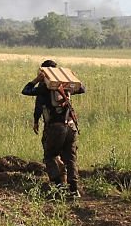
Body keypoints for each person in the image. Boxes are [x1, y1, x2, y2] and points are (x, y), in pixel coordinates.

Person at [21, 59, 85, 198]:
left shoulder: (45, 88)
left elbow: (26, 91)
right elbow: (82, 88)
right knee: (70, 158)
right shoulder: (66, 87)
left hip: (55, 128)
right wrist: (71, 77)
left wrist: (36, 79)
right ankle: (74, 189)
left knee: (49, 156)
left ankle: (59, 187)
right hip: (71, 127)